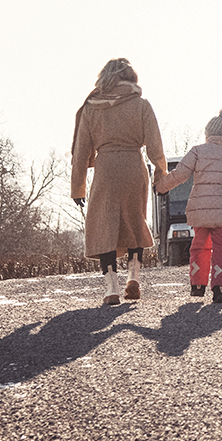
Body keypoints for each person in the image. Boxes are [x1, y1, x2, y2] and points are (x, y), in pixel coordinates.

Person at [70, 57, 164, 306]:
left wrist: (77, 186)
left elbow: (81, 151)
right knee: (134, 220)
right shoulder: (141, 104)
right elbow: (155, 143)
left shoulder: (91, 107)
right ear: (131, 78)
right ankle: (133, 276)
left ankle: (111, 287)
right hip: (134, 165)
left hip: (106, 169)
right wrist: (160, 172)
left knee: (104, 225)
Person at [156, 108, 222, 304]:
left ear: (208, 133)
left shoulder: (198, 151)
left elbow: (180, 175)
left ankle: (198, 285)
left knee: (199, 246)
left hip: (200, 210)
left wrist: (161, 187)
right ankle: (220, 288)